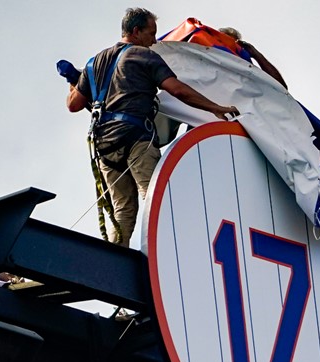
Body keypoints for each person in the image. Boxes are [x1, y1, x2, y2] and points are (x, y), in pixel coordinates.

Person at [67, 8, 240, 247]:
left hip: (104, 147)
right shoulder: (144, 56)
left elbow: (74, 104)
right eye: (151, 33)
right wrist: (214, 107)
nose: (154, 40)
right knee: (155, 200)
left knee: (123, 211)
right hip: (136, 138)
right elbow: (177, 89)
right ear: (136, 31)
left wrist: (72, 81)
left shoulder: (93, 63)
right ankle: (165, 257)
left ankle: (115, 262)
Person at [218, 27, 288, 89]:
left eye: (233, 43)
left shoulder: (247, 69)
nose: (228, 45)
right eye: (223, 40)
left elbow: (281, 88)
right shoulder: (210, 57)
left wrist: (257, 54)